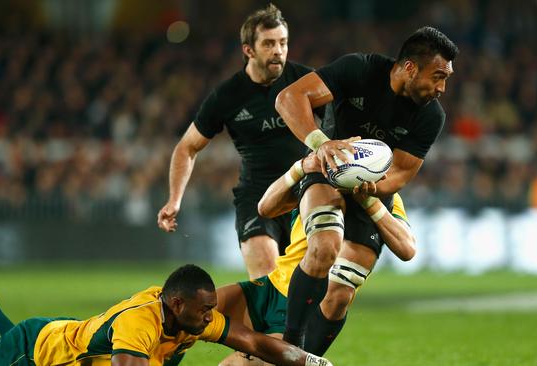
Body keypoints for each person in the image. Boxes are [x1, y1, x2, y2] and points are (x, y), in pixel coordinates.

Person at [274, 26, 458, 347]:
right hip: (327, 169)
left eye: (446, 79)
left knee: (342, 292)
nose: (442, 87)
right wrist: (321, 144)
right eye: (438, 76)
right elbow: (289, 98)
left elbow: (400, 173)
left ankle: (309, 356)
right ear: (410, 68)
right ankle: (289, 348)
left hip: (372, 189)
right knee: (324, 248)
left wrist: (370, 187)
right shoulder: (359, 69)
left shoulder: (431, 116)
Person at [157, 4, 326, 280]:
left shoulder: (305, 81)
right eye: (269, 44)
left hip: (305, 194)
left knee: (306, 291)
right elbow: (187, 147)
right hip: (257, 198)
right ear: (248, 50)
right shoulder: (228, 96)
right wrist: (174, 200)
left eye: (283, 43)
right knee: (265, 281)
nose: (278, 51)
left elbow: (337, 122)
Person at [215, 153, 416, 365]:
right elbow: (265, 208)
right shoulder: (318, 175)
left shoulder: (384, 195)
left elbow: (407, 248)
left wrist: (369, 201)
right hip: (270, 287)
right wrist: (300, 167)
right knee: (184, 313)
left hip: (299, 312)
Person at [0, 266, 333, 366]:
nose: (213, 317)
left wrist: (314, 363)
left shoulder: (194, 318)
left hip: (67, 337)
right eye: (205, 310)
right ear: (177, 304)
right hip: (33, 351)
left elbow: (254, 342)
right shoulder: (140, 323)